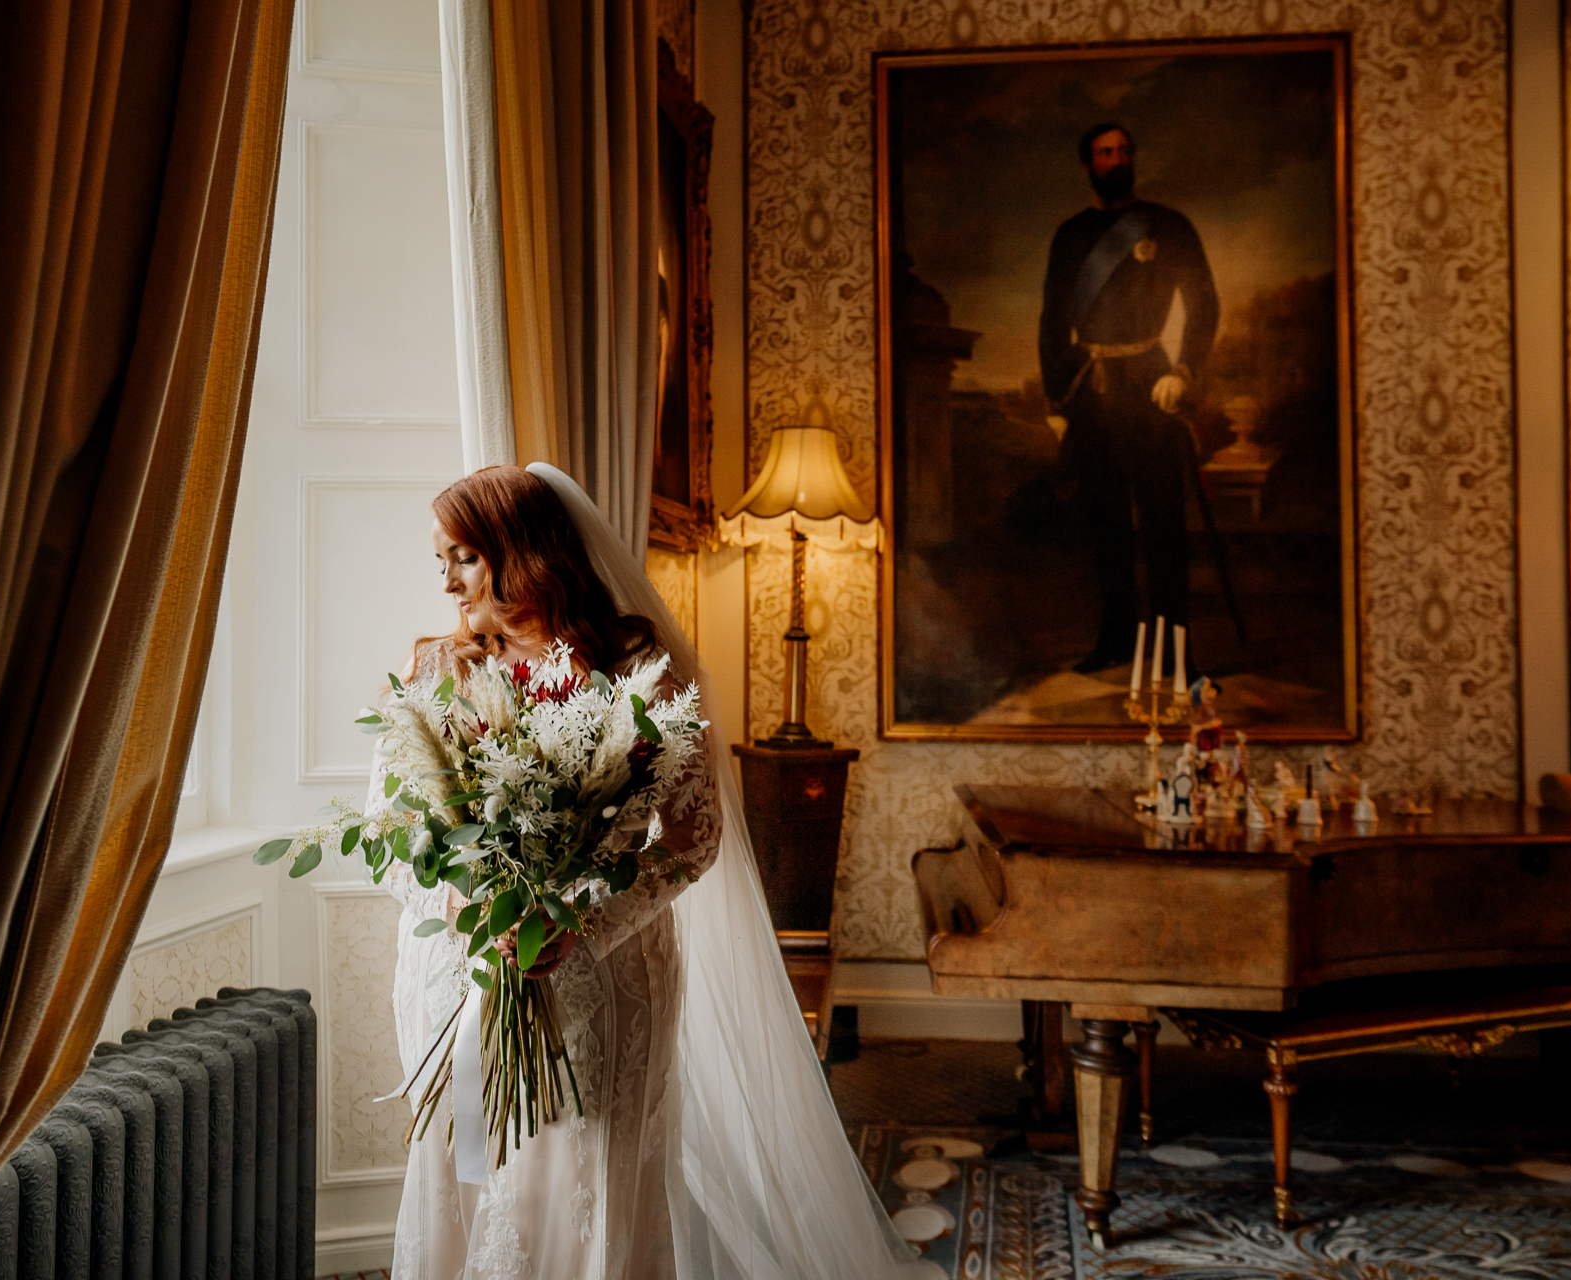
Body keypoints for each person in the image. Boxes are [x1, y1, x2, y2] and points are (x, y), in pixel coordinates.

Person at [377, 465, 925, 1280]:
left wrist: (578, 924)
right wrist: (468, 901)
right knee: (467, 1178)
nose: (445, 580)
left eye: (462, 556)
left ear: (521, 553)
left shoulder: (641, 671)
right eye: (441, 561)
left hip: (606, 977)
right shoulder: (437, 670)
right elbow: (393, 830)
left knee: (586, 1183)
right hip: (463, 972)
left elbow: (691, 839)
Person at [1038, 123, 1219, 673]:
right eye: (1103, 153)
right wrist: (1056, 403)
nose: (1115, 160)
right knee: (1107, 526)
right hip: (1091, 388)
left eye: (1122, 151)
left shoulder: (1168, 226)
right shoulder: (1069, 235)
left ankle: (1172, 651)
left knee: (1163, 524)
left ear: (1133, 159)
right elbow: (1052, 321)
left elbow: (1204, 304)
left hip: (1151, 383)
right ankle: (1115, 641)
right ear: (1086, 165)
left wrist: (1183, 371)